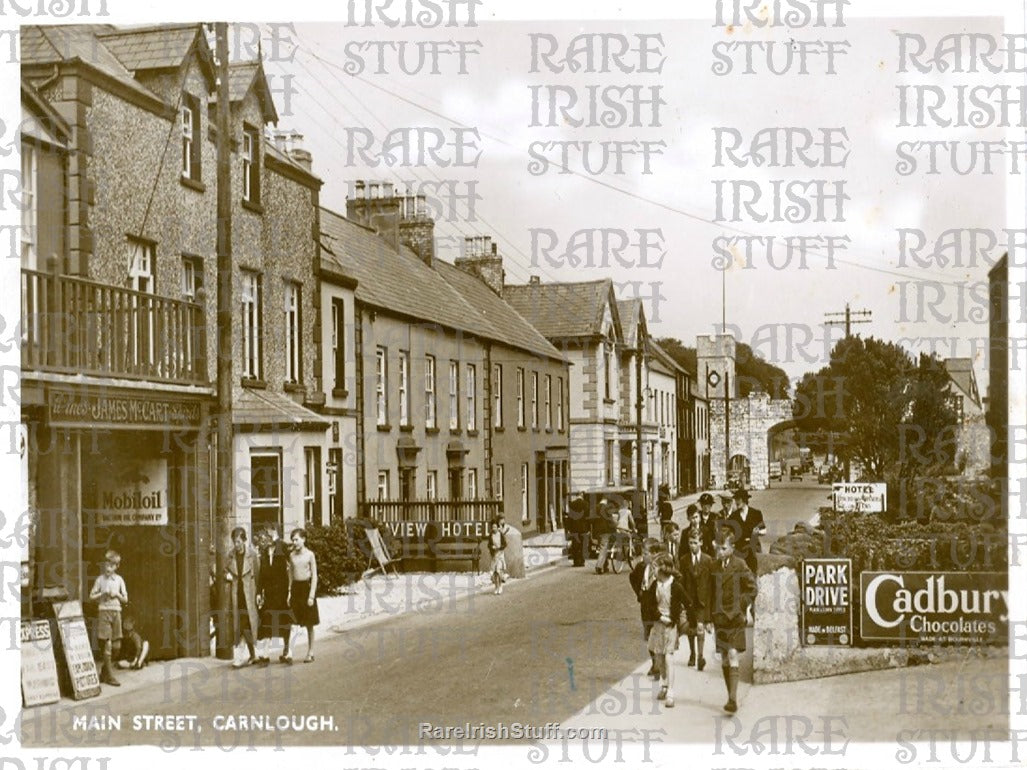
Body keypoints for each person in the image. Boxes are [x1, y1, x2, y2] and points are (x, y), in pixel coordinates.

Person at [706, 530, 756, 714]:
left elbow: (752, 588)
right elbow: (709, 593)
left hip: (735, 617)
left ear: (732, 548)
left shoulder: (740, 565)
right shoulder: (714, 566)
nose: (719, 552)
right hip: (719, 618)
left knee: (733, 654)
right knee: (725, 658)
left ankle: (733, 699)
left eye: (723, 548)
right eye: (718, 548)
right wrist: (708, 618)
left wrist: (741, 605)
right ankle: (730, 695)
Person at [640, 553, 687, 709]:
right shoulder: (655, 585)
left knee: (669, 657)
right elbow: (649, 605)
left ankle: (671, 693)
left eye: (655, 568)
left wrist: (688, 621)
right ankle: (664, 684)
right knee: (659, 657)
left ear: (662, 570)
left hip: (670, 626)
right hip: (659, 624)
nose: (653, 571)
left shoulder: (676, 586)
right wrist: (659, 616)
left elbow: (688, 602)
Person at [88, 550, 128, 687]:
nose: (107, 568)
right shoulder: (100, 580)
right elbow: (91, 597)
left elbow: (126, 599)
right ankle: (110, 676)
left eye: (111, 566)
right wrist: (102, 593)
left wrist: (117, 594)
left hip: (116, 612)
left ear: (117, 566)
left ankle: (105, 670)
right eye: (106, 565)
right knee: (108, 644)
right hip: (104, 612)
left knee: (117, 646)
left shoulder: (119, 580)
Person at [257, 523, 294, 664]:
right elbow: (262, 573)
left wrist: (290, 590)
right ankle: (265, 654)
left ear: (275, 532)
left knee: (285, 620)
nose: (266, 536)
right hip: (270, 593)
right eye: (266, 533)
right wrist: (259, 592)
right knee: (267, 621)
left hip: (283, 592)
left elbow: (291, 567)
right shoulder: (266, 551)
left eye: (269, 532)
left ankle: (287, 652)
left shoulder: (283, 547)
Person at [628, 539, 663, 678]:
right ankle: (654, 661)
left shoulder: (660, 568)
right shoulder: (641, 567)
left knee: (658, 637)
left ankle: (658, 665)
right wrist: (639, 593)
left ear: (655, 554)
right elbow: (632, 577)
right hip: (645, 607)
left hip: (657, 607)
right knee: (649, 637)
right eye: (643, 553)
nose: (644, 557)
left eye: (646, 553)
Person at [225, 527, 260, 668]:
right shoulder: (230, 555)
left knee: (245, 623)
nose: (236, 544)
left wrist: (258, 594)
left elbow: (258, 576)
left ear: (244, 540)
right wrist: (226, 575)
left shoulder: (252, 555)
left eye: (239, 541)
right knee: (241, 623)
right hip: (236, 594)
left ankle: (239, 656)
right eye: (235, 541)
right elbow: (223, 570)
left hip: (249, 595)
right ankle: (253, 655)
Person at [679, 530, 713, 669]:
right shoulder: (684, 560)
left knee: (700, 628)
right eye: (690, 543)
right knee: (691, 629)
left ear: (701, 542)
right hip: (689, 600)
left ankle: (700, 656)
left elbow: (711, 583)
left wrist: (710, 614)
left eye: (695, 542)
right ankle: (692, 653)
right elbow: (681, 581)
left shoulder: (708, 560)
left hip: (703, 600)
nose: (692, 546)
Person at [288, 528, 320, 663]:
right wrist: (289, 592)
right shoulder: (291, 556)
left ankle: (310, 652)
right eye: (293, 540)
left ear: (303, 539)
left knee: (309, 623)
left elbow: (314, 576)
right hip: (296, 589)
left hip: (306, 589)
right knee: (292, 622)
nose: (294, 542)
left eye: (296, 539)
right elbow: (290, 574)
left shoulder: (310, 555)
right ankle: (289, 652)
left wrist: (311, 596)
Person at [594, 499, 616, 574]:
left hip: (597, 531)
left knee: (602, 547)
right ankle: (599, 566)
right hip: (605, 531)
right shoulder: (606, 508)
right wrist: (615, 527)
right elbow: (610, 520)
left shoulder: (595, 508)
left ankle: (605, 565)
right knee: (604, 548)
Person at [488, 519, 508, 595]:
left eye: (495, 527)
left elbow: (505, 544)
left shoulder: (500, 534)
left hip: (500, 554)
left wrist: (500, 547)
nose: (494, 529)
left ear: (497, 527)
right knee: (495, 572)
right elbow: (489, 545)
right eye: (493, 527)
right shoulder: (491, 535)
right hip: (494, 555)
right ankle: (496, 587)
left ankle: (500, 586)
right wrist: (491, 547)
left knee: (499, 571)